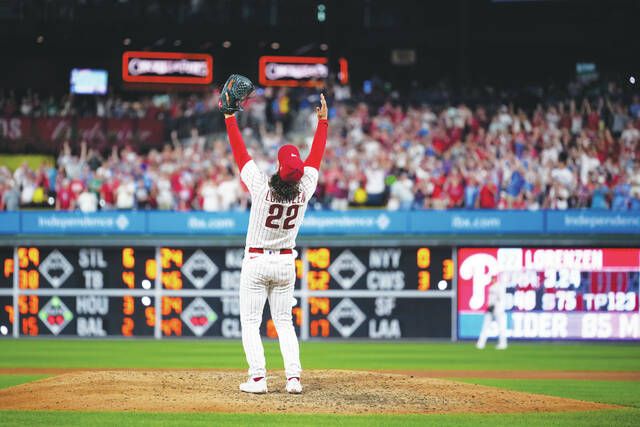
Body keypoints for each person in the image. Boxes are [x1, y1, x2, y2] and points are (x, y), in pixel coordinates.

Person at [220, 75, 328, 394]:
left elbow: (241, 154)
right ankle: (293, 379)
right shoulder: (306, 188)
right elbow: (316, 157)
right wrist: (323, 123)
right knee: (284, 322)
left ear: (279, 168)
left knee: (251, 323)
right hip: (285, 263)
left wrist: (229, 117)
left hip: (256, 262)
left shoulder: (261, 187)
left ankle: (258, 378)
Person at [476, 278, 508, 350]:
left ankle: (503, 343)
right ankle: (481, 343)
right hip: (490, 309)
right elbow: (490, 300)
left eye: (494, 278)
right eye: (492, 278)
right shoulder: (491, 287)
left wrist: (498, 308)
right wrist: (489, 307)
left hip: (498, 310)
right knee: (485, 326)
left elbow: (501, 299)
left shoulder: (500, 287)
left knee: (501, 328)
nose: (492, 280)